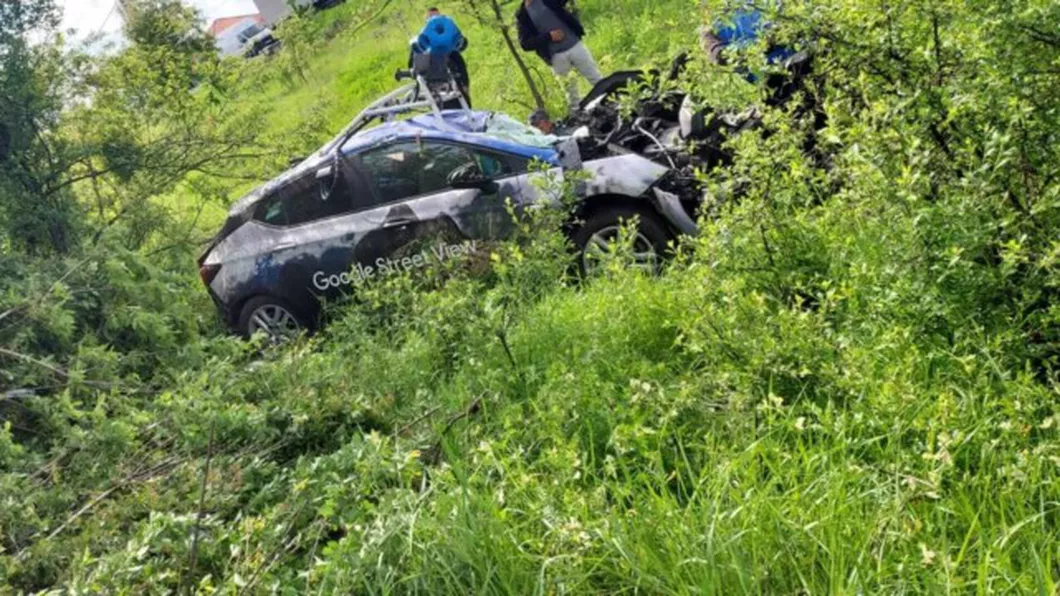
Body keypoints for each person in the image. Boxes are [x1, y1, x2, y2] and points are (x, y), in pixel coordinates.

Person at [516, 0, 602, 113]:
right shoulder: (523, 14)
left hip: (575, 46)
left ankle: (618, 104)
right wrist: (549, 37)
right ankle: (580, 119)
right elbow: (525, 44)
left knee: (597, 80)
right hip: (556, 57)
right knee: (572, 97)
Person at [409, 7, 472, 107]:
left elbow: (460, 63)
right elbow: (413, 67)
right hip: (435, 92)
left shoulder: (449, 43)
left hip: (456, 89)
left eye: (437, 16)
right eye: (431, 17)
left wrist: (465, 85)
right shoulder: (422, 43)